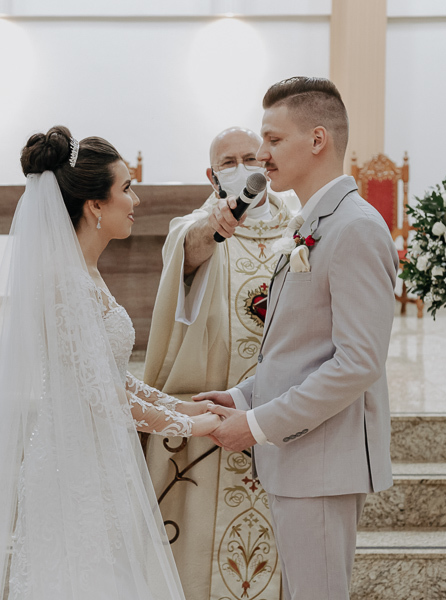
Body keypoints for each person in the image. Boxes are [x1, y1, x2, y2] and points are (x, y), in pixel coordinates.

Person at [0, 126, 222, 600]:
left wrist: (186, 408)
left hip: (97, 457)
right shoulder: (64, 282)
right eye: (126, 189)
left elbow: (112, 375)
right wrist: (189, 426)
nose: (137, 199)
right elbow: (100, 394)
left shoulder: (85, 271)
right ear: (95, 205)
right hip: (73, 466)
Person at [198, 77, 398, 599]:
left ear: (317, 140)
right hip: (303, 461)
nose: (261, 156)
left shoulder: (355, 227)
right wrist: (243, 396)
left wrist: (258, 424)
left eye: (273, 140)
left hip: (324, 463)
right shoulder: (314, 222)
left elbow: (357, 363)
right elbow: (301, 345)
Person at [142, 127, 295, 600]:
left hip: (282, 415)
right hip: (212, 415)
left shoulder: (301, 225)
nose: (241, 168)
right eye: (228, 162)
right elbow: (189, 251)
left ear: (267, 165)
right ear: (212, 175)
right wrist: (213, 229)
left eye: (250, 157)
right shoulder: (197, 225)